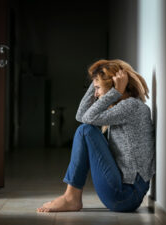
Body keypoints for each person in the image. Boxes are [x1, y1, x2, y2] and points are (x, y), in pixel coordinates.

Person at [37, 59, 156, 213]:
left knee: (85, 130)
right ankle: (70, 197)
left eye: (98, 88)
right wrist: (99, 82)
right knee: (85, 129)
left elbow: (86, 119)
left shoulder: (131, 107)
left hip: (125, 195)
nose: (96, 93)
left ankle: (71, 198)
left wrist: (115, 92)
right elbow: (81, 115)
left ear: (115, 87)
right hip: (125, 194)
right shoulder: (126, 106)